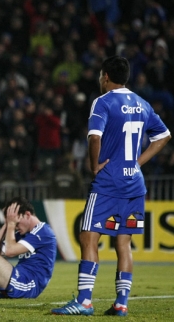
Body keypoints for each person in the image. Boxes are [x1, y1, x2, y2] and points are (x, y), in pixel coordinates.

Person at [52, 56, 171, 316]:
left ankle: (84, 301)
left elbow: (95, 137)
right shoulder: (142, 103)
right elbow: (163, 136)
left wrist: (95, 166)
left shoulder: (103, 101)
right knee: (123, 243)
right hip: (134, 184)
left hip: (108, 182)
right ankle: (121, 303)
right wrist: (138, 163)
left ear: (105, 76)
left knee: (88, 237)